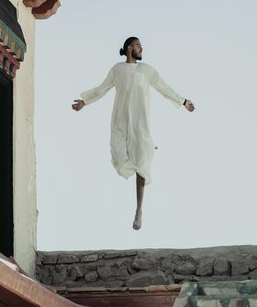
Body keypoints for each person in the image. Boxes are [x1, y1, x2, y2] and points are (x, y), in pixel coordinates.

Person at [72, 37, 195, 230]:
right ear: (129, 48)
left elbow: (164, 88)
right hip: (120, 121)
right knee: (119, 157)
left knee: (142, 162)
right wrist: (84, 102)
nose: (142, 49)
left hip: (140, 123)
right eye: (138, 46)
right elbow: (101, 89)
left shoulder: (147, 70)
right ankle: (145, 148)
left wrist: (183, 100)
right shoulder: (117, 70)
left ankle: (139, 210)